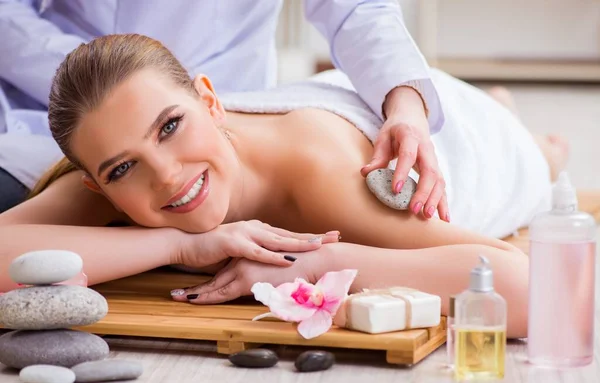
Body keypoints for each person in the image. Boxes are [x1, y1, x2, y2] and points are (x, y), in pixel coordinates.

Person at [0, 34, 570, 338]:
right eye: (123, 169)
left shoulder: (323, 178)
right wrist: (179, 245)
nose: (167, 175)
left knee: (538, 161)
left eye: (171, 127)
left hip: (463, 144)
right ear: (96, 184)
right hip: (325, 98)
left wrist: (309, 262)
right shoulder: (109, 177)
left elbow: (526, 290)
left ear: (210, 98)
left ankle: (523, 129)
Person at [0, 0, 447, 220]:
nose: (167, 174)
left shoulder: (319, 164)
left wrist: (405, 105)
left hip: (218, 109)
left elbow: (353, 8)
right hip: (55, 112)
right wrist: (104, 79)